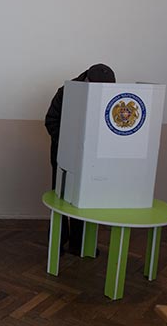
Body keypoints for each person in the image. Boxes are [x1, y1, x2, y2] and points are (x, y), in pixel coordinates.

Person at [44, 63, 115, 255]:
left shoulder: (107, 94)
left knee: (83, 201)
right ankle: (57, 243)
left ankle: (80, 244)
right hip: (63, 156)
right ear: (86, 80)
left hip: (91, 158)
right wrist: (69, 144)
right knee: (60, 198)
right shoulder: (66, 91)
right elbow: (50, 120)